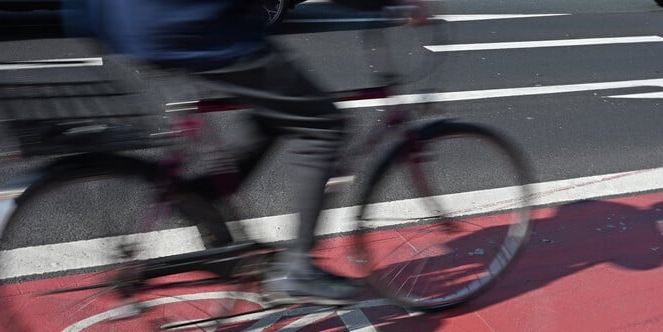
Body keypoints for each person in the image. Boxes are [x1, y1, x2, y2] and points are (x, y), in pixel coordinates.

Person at [88, 0, 426, 305]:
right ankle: (297, 269)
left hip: (130, 20)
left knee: (277, 105)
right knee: (322, 125)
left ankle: (202, 197)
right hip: (185, 24)